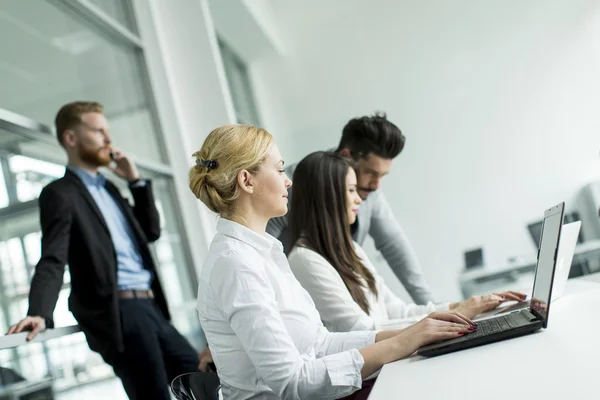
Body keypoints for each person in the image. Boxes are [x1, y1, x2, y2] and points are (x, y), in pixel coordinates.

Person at [189, 124, 478, 400]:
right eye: (279, 169)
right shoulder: (236, 265)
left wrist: (413, 333)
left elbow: (320, 343)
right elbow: (294, 383)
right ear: (246, 180)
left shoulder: (264, 253)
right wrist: (402, 343)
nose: (288, 180)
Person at [6, 101, 201, 399]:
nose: (108, 139)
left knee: (199, 379)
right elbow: (53, 259)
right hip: (120, 312)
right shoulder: (60, 194)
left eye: (106, 131)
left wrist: (135, 182)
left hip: (150, 307)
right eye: (98, 131)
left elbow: (150, 232)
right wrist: (39, 312)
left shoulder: (110, 187)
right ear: (71, 138)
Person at [287, 151, 527, 332]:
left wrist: (459, 307)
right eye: (351, 190)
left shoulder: (351, 249)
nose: (359, 198)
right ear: (326, 197)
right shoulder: (305, 261)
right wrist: (454, 315)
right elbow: (363, 331)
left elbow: (398, 312)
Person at [268, 113, 435, 305]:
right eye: (371, 173)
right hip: (300, 308)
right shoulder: (291, 187)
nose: (376, 186)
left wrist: (431, 306)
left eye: (382, 176)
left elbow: (394, 245)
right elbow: (262, 254)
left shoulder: (369, 191)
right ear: (346, 155)